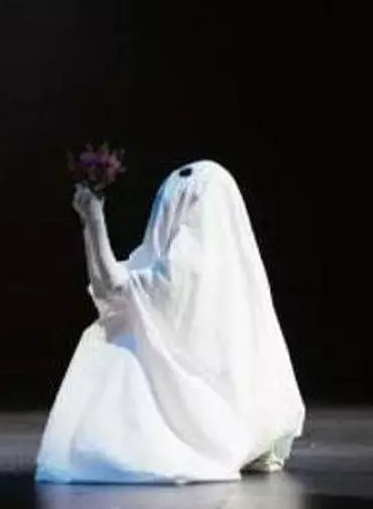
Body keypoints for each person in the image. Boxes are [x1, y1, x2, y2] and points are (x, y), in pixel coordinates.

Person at [35, 160, 305, 484]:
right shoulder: (190, 267)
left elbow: (117, 288)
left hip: (200, 400)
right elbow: (111, 290)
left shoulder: (192, 271)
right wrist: (90, 222)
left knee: (123, 341)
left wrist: (95, 220)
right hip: (201, 389)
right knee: (121, 327)